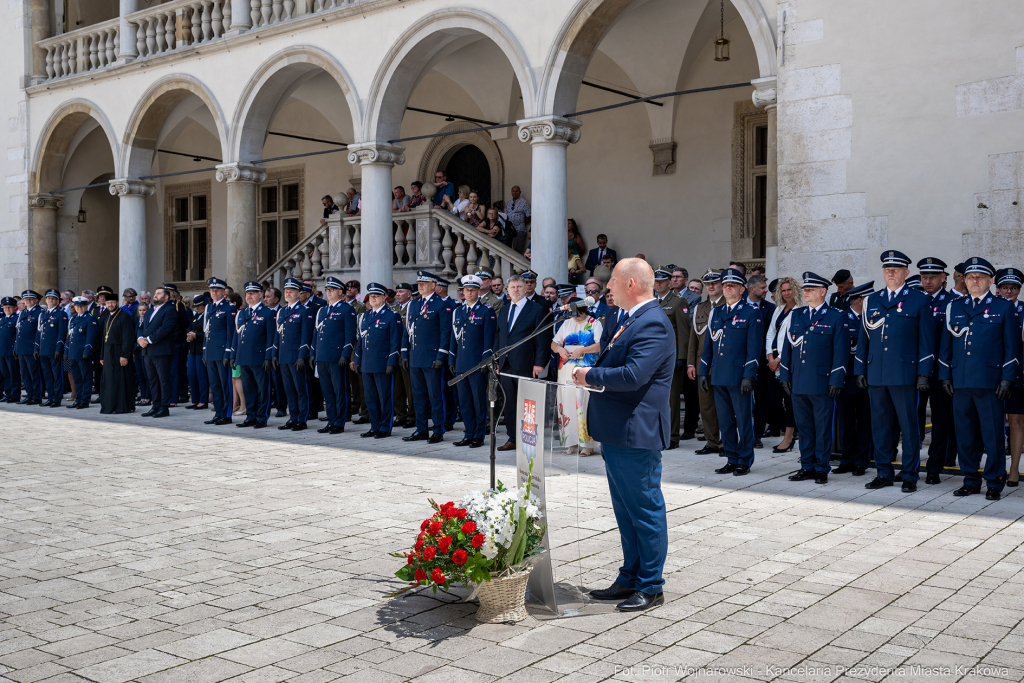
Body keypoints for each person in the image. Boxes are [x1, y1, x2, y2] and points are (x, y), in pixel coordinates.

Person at [572, 258, 674, 613]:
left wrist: (589, 376)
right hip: (618, 430)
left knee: (644, 510)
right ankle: (630, 576)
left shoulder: (653, 323)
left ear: (631, 284)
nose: (607, 287)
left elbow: (633, 376)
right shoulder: (630, 318)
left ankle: (651, 585)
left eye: (612, 281)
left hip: (636, 432)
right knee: (626, 511)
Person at [854, 250, 936, 493]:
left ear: (906, 273)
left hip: (905, 374)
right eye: (887, 270)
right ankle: (883, 472)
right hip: (876, 373)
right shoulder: (872, 300)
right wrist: (860, 368)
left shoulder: (919, 300)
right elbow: (863, 339)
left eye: (896, 270)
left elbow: (926, 342)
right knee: (880, 425)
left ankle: (910, 474)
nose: (891, 273)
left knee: (909, 426)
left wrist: (924, 373)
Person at [938, 257, 1017, 501]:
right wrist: (944, 375)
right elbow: (946, 347)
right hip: (960, 381)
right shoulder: (956, 306)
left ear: (990, 281)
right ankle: (970, 479)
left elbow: (1011, 348)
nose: (974, 281)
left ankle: (994, 481)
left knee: (992, 434)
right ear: (965, 280)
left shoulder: (1003, 307)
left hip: (990, 382)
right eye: (970, 277)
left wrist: (1007, 379)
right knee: (964, 433)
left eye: (980, 277)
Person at [779, 272, 848, 484]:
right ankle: (806, 465)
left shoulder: (835, 316)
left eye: (810, 290)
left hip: (822, 382)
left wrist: (836, 380)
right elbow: (787, 348)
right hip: (799, 381)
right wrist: (785, 375)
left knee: (822, 427)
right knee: (805, 427)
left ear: (823, 292)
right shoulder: (797, 315)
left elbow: (840, 352)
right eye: (805, 290)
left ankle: (821, 467)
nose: (806, 293)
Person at [699, 268, 762, 475]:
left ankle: (745, 459)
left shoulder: (751, 312)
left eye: (732, 285)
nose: (727, 288)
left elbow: (754, 348)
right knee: (725, 420)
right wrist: (703, 371)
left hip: (739, 376)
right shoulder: (716, 313)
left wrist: (749, 375)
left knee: (743, 420)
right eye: (725, 285)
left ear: (742, 289)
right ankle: (732, 457)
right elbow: (708, 345)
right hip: (718, 375)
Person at [495, 274, 551, 451]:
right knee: (509, 403)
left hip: (527, 364)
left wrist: (540, 363)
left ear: (525, 288)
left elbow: (543, 338)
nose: (516, 290)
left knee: (528, 404)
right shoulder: (504, 309)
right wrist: (498, 361)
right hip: (505, 364)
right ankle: (513, 438)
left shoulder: (536, 309)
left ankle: (529, 438)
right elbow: (500, 336)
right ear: (508, 290)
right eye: (513, 287)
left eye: (519, 286)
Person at [917, 257, 958, 485]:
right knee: (914, 420)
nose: (928, 281)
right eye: (924, 277)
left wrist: (946, 373)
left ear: (944, 278)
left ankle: (934, 467)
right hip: (917, 373)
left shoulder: (953, 303)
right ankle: (912, 464)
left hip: (941, 373)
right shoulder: (915, 301)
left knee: (941, 422)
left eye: (933, 277)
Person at [401, 272, 452, 443]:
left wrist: (441, 355)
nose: (420, 286)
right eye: (419, 283)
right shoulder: (413, 304)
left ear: (433, 285)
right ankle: (421, 428)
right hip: (415, 356)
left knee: (435, 396)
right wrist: (404, 353)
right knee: (418, 395)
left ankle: (438, 429)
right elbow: (407, 331)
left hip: (432, 358)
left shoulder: (440, 304)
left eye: (424, 283)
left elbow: (445, 332)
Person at [448, 275, 496, 448]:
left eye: (472, 290)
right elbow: (453, 339)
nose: (468, 293)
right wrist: (451, 358)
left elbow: (489, 339)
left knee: (478, 401)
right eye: (466, 290)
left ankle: (479, 435)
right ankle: (468, 433)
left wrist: (485, 360)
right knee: (465, 401)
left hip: (477, 364)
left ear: (478, 291)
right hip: (461, 363)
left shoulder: (486, 311)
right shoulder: (457, 312)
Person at [552, 298, 602, 455]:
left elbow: (601, 345)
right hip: (566, 369)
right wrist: (560, 350)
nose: (576, 317)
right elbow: (554, 344)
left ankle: (588, 444)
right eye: (573, 314)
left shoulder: (595, 323)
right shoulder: (566, 323)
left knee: (584, 404)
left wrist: (583, 351)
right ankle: (571, 442)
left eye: (579, 313)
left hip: (585, 369)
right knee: (567, 404)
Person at [834, 281, 874, 475]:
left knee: (866, 420)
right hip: (846, 377)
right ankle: (846, 459)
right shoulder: (842, 318)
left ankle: (861, 460)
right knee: (846, 421)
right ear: (860, 300)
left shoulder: (872, 318)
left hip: (867, 377)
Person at [353, 283, 402, 438]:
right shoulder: (366, 316)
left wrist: (391, 362)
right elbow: (360, 340)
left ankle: (385, 427)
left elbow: (395, 341)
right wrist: (358, 360)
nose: (372, 299)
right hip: (367, 363)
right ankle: (374, 426)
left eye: (376, 296)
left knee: (384, 397)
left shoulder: (391, 315)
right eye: (371, 296)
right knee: (370, 398)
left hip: (383, 363)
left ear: (384, 297)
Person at [687, 270, 724, 455]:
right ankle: (712, 442)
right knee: (707, 406)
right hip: (703, 364)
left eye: (715, 283)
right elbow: (693, 337)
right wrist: (691, 363)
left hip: (723, 364)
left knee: (725, 406)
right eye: (708, 284)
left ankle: (726, 442)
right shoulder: (701, 308)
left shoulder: (729, 305)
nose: (711, 286)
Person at [765, 276, 804, 452]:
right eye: (784, 290)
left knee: (789, 400)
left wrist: (780, 359)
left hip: (789, 361)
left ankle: (788, 438)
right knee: (772, 400)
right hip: (773, 361)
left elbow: (794, 338)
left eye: (789, 290)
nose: (787, 293)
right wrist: (770, 357)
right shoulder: (778, 309)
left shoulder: (801, 310)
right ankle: (788, 430)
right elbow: (770, 334)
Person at [653, 268, 691, 447]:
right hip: (653, 359)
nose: (658, 283)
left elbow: (683, 332)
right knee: (655, 398)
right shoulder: (651, 301)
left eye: (662, 280)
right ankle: (656, 434)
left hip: (671, 359)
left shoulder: (678, 302)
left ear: (669, 283)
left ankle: (671, 436)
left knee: (672, 399)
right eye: (656, 280)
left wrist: (682, 357)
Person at [314, 277, 356, 435]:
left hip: (337, 356)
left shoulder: (347, 309)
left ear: (340, 292)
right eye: (327, 290)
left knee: (340, 391)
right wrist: (313, 353)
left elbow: (350, 335)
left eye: (331, 290)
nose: (328, 292)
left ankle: (339, 421)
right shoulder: (322, 310)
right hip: (322, 355)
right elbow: (316, 334)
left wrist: (345, 354)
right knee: (327, 392)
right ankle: (331, 420)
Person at [233, 282, 276, 428]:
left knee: (263, 389)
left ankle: (262, 417)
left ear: (259, 295)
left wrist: (268, 357)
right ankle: (251, 416)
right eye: (247, 293)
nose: (249, 296)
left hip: (259, 358)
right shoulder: (242, 313)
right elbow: (236, 336)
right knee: (248, 389)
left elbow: (271, 337)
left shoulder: (268, 312)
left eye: (252, 293)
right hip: (243, 357)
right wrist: (234, 354)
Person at [996, 268, 1024, 486]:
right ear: (998, 289)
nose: (1009, 291)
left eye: (1013, 288)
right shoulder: (991, 309)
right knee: (993, 424)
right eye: (1005, 287)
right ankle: (995, 467)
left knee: (1015, 422)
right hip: (992, 375)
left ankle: (1013, 468)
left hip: (1016, 376)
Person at [275, 278, 314, 431]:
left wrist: (302, 355)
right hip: (284, 356)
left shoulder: (305, 311)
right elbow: (277, 334)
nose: (288, 293)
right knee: (289, 389)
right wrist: (274, 353)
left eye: (291, 291)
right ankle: (293, 417)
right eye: (286, 291)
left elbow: (306, 335)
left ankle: (302, 419)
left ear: (299, 294)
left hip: (296, 356)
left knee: (300, 389)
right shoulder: (282, 311)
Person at [745, 275, 778, 447]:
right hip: (742, 361)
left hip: (763, 362)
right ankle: (740, 432)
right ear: (751, 289)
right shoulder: (740, 304)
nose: (766, 290)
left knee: (762, 399)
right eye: (763, 287)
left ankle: (757, 434)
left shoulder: (771, 309)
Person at [137, 287, 178, 418]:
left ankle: (164, 407)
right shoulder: (149, 311)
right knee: (152, 380)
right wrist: (139, 339)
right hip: (148, 351)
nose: (155, 295)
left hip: (162, 350)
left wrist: (148, 339)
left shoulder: (169, 310)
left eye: (158, 293)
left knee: (163, 379)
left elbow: (165, 329)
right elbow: (141, 327)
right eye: (155, 293)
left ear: (166, 297)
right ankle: (156, 405)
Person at [202, 277, 237, 426]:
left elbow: (231, 332)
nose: (214, 292)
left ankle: (226, 414)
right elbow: (206, 330)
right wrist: (204, 350)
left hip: (222, 351)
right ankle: (218, 412)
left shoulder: (229, 307)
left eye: (217, 290)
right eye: (212, 290)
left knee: (225, 385)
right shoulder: (209, 307)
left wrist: (228, 352)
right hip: (210, 351)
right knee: (215, 384)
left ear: (224, 292)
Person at [99, 295, 136, 414]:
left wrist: (125, 355)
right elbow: (104, 338)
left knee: (121, 380)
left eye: (112, 302)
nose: (110, 305)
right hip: (108, 354)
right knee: (110, 381)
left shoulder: (124, 316)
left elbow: (128, 338)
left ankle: (121, 407)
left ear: (117, 302)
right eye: (108, 303)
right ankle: (110, 406)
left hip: (120, 353)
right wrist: (102, 356)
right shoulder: (107, 317)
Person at [65, 296, 97, 409]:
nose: (79, 308)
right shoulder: (73, 319)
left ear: (86, 306)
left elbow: (91, 336)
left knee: (85, 377)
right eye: (77, 306)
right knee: (77, 378)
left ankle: (85, 400)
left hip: (83, 353)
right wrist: (66, 350)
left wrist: (87, 350)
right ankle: (78, 399)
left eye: (82, 306)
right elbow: (70, 337)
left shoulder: (90, 318)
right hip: (73, 353)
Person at [391, 283, 415, 428]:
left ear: (409, 294)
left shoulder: (412, 307)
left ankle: (412, 416)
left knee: (410, 388)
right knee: (397, 387)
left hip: (409, 352)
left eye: (401, 292)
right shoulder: (393, 309)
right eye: (397, 292)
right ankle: (400, 414)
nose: (398, 294)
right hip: (395, 352)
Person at [38, 289, 68, 407]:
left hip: (54, 349)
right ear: (46, 300)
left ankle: (57, 398)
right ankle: (50, 397)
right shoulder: (43, 314)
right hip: (44, 349)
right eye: (49, 298)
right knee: (47, 375)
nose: (50, 300)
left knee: (56, 375)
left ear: (57, 301)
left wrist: (59, 348)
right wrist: (37, 348)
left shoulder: (61, 314)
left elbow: (61, 333)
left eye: (53, 298)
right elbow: (39, 333)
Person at [185, 294, 210, 410]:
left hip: (201, 348)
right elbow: (189, 327)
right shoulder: (197, 316)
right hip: (193, 349)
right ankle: (194, 399)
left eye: (199, 306)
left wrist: (196, 335)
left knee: (201, 375)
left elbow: (207, 332)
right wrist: (190, 334)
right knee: (191, 373)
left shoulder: (207, 316)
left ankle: (203, 400)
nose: (197, 308)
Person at [0, 297, 19, 402]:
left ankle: (15, 395)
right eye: (5, 307)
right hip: (2, 351)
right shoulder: (2, 320)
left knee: (13, 374)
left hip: (11, 351)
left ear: (14, 308)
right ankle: (8, 394)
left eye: (10, 307)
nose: (7, 308)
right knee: (5, 374)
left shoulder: (16, 319)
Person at [506, 186, 531, 252]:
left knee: (517, 250)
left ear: (520, 192)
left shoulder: (524, 203)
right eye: (513, 191)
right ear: (511, 192)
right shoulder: (509, 202)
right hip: (509, 230)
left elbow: (528, 216)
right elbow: (506, 214)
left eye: (516, 191)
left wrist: (520, 222)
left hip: (519, 230)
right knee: (509, 249)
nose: (515, 192)